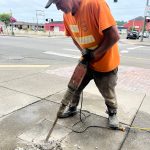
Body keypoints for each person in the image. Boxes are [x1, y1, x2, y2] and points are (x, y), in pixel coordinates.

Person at [45, 0, 120, 129]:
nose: (58, 8)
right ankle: (72, 107)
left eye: (58, 3)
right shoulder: (66, 15)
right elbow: (73, 36)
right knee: (75, 86)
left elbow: (114, 36)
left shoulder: (95, 4)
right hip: (86, 60)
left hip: (105, 61)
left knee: (108, 92)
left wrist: (95, 54)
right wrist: (84, 52)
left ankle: (112, 113)